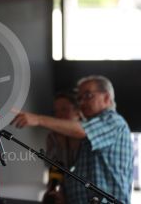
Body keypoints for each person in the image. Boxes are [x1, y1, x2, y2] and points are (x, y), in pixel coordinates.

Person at [11, 75, 133, 204]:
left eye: (88, 96)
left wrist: (38, 119)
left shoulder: (113, 121)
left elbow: (82, 130)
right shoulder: (63, 138)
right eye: (79, 98)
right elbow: (66, 173)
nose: (82, 103)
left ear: (106, 97)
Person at [42, 92, 82, 204]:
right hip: (67, 195)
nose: (59, 115)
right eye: (56, 111)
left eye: (64, 109)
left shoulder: (88, 136)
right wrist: (52, 189)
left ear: (78, 112)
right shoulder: (53, 137)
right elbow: (55, 167)